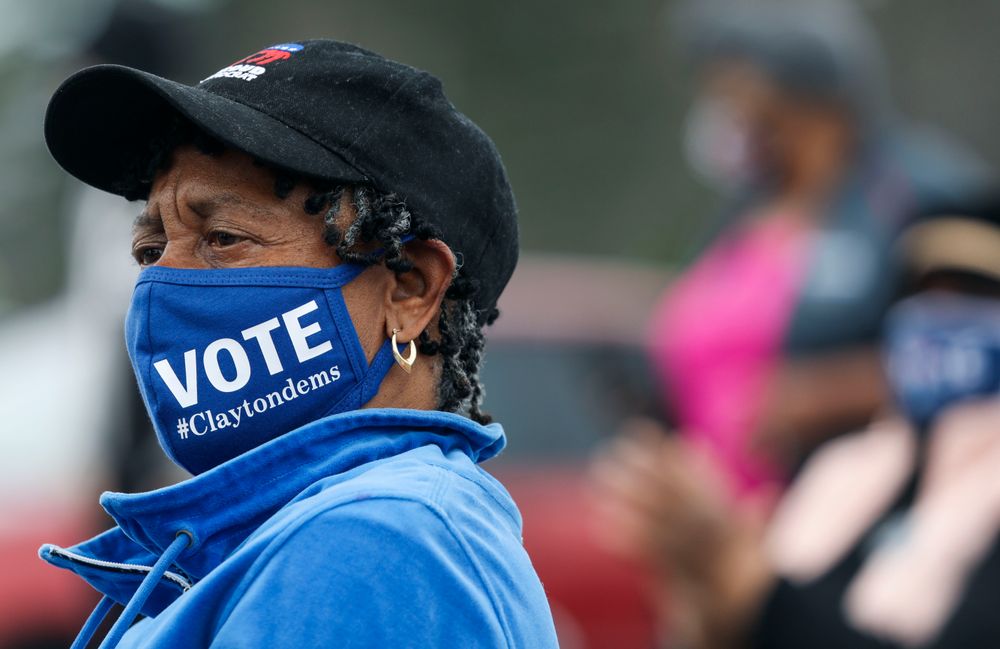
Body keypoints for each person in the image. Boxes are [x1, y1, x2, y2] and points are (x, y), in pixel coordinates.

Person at [37, 39, 559, 649]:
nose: (161, 285)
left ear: (410, 289)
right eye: (149, 252)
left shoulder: (378, 540)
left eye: (224, 238)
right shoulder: (285, 536)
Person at [593, 193, 1000, 649]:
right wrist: (704, 591)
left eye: (975, 295)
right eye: (924, 294)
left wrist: (741, 575)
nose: (941, 318)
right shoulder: (845, 472)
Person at [649, 0, 990, 500]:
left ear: (800, 91)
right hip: (729, 529)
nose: (723, 105)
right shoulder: (745, 210)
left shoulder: (915, 194)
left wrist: (821, 395)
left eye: (736, 84)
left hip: (861, 520)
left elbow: (979, 355)